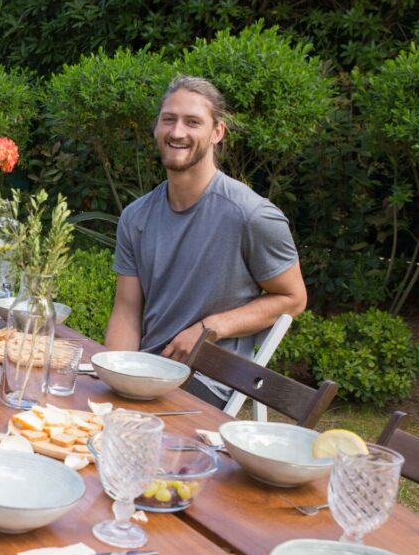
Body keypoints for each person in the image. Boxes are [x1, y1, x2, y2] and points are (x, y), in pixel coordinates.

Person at [104, 76, 307, 408]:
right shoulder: (135, 217)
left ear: (217, 132)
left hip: (207, 384)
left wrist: (209, 327)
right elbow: (126, 312)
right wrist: (113, 373)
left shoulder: (251, 215)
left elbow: (294, 299)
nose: (177, 132)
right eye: (168, 119)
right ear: (156, 128)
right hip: (147, 372)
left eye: (193, 122)